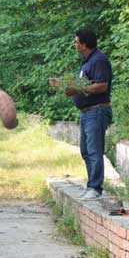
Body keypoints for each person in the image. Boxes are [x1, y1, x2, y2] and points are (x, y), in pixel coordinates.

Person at [49, 28, 112, 200]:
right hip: (86, 113)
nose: (75, 45)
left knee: (94, 150)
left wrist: (77, 88)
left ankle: (95, 188)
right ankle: (92, 186)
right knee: (85, 151)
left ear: (84, 44)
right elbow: (81, 86)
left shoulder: (99, 60)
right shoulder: (86, 62)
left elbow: (101, 85)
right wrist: (63, 84)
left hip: (97, 111)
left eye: (76, 42)